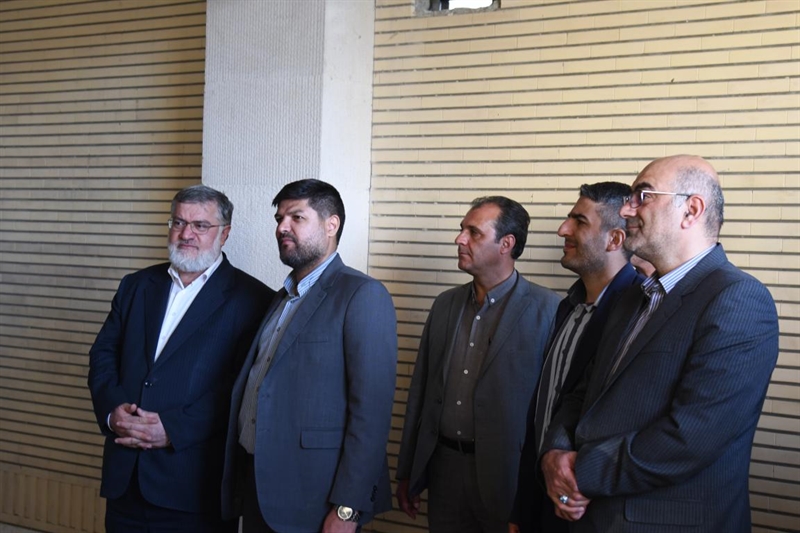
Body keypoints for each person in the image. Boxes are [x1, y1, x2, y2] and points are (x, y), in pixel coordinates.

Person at [540, 155, 780, 532]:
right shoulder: (631, 297)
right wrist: (554, 452)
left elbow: (691, 437)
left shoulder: (738, 300)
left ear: (691, 210)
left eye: (643, 195)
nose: (626, 209)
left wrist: (577, 472)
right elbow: (583, 392)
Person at [88, 185, 274, 532]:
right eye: (178, 222)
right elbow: (103, 355)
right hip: (125, 479)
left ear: (224, 234)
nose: (186, 234)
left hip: (193, 487)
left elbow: (243, 387)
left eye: (200, 225)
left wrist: (173, 429)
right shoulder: (135, 285)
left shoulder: (254, 300)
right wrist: (112, 412)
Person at [222, 179, 398, 533]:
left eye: (296, 217)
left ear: (331, 225)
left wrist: (348, 508)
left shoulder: (362, 295)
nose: (281, 227)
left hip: (315, 499)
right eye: (279, 218)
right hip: (258, 487)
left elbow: (371, 415)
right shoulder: (281, 297)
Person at [396, 196, 561, 533]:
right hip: (443, 471)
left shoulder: (549, 310)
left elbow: (553, 409)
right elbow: (420, 392)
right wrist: (408, 470)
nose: (459, 239)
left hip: (508, 478)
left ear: (506, 244)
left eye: (474, 232)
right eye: (462, 230)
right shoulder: (445, 305)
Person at [510, 182, 644, 533]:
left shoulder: (639, 313)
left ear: (615, 239)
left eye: (579, 221)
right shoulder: (568, 306)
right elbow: (542, 413)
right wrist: (523, 509)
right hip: (543, 502)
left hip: (591, 510)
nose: (562, 230)